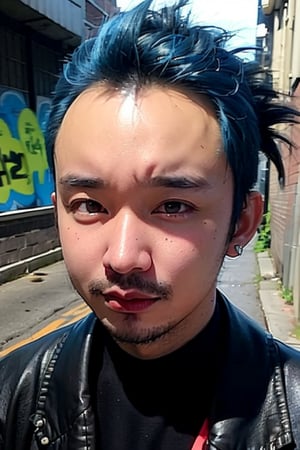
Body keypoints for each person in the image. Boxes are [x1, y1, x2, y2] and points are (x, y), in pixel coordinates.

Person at [1, 0, 300, 448]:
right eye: (88, 205)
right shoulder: (10, 398)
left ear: (242, 222)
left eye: (173, 206)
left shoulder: (292, 414)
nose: (122, 257)